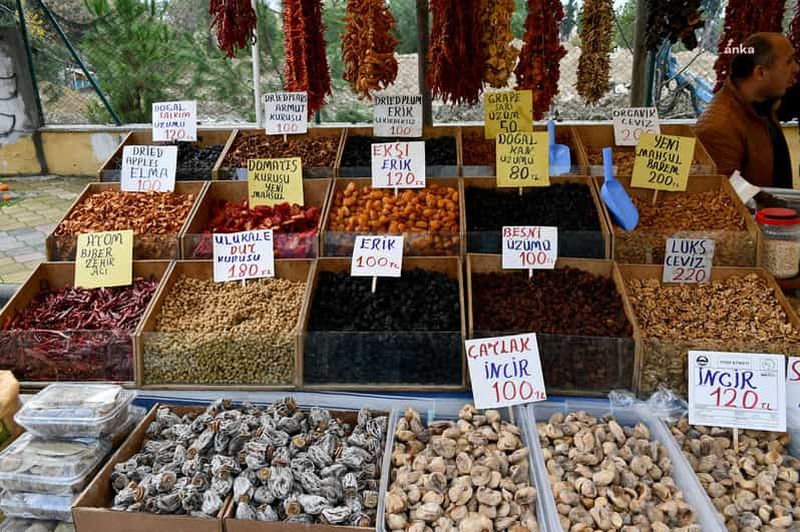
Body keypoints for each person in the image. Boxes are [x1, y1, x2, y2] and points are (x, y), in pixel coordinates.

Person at [696, 32, 799, 188]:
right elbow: (725, 200)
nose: (796, 68)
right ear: (760, 73)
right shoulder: (719, 126)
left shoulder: (763, 102)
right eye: (789, 62)